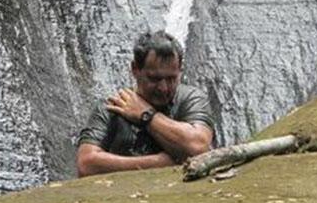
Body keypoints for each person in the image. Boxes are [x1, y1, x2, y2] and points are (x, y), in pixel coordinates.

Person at [76, 30, 215, 177]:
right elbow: (86, 164)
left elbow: (199, 147)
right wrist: (159, 163)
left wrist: (147, 115)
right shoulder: (113, 106)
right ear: (135, 69)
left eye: (171, 79)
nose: (163, 88)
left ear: (180, 70)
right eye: (154, 79)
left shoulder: (192, 99)